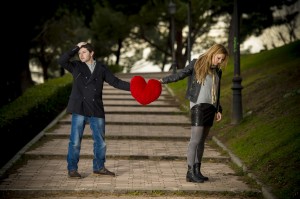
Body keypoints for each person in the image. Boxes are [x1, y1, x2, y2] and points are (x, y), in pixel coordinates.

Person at [58, 42, 131, 179]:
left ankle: (99, 167)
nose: (81, 55)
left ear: (92, 53)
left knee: (100, 142)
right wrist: (75, 47)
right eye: (79, 53)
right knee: (75, 141)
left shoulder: (101, 68)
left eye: (84, 52)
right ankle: (72, 169)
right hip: (79, 108)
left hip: (96, 108)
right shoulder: (76, 66)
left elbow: (116, 82)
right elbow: (62, 60)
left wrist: (134, 87)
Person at [159, 43, 229, 183]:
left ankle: (197, 170)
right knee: (195, 140)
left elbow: (216, 91)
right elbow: (181, 74)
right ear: (213, 53)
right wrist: (163, 80)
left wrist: (218, 109)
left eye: (222, 60)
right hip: (198, 105)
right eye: (219, 58)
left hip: (211, 107)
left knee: (202, 141)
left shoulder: (218, 71)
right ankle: (190, 172)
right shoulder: (197, 64)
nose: (220, 61)